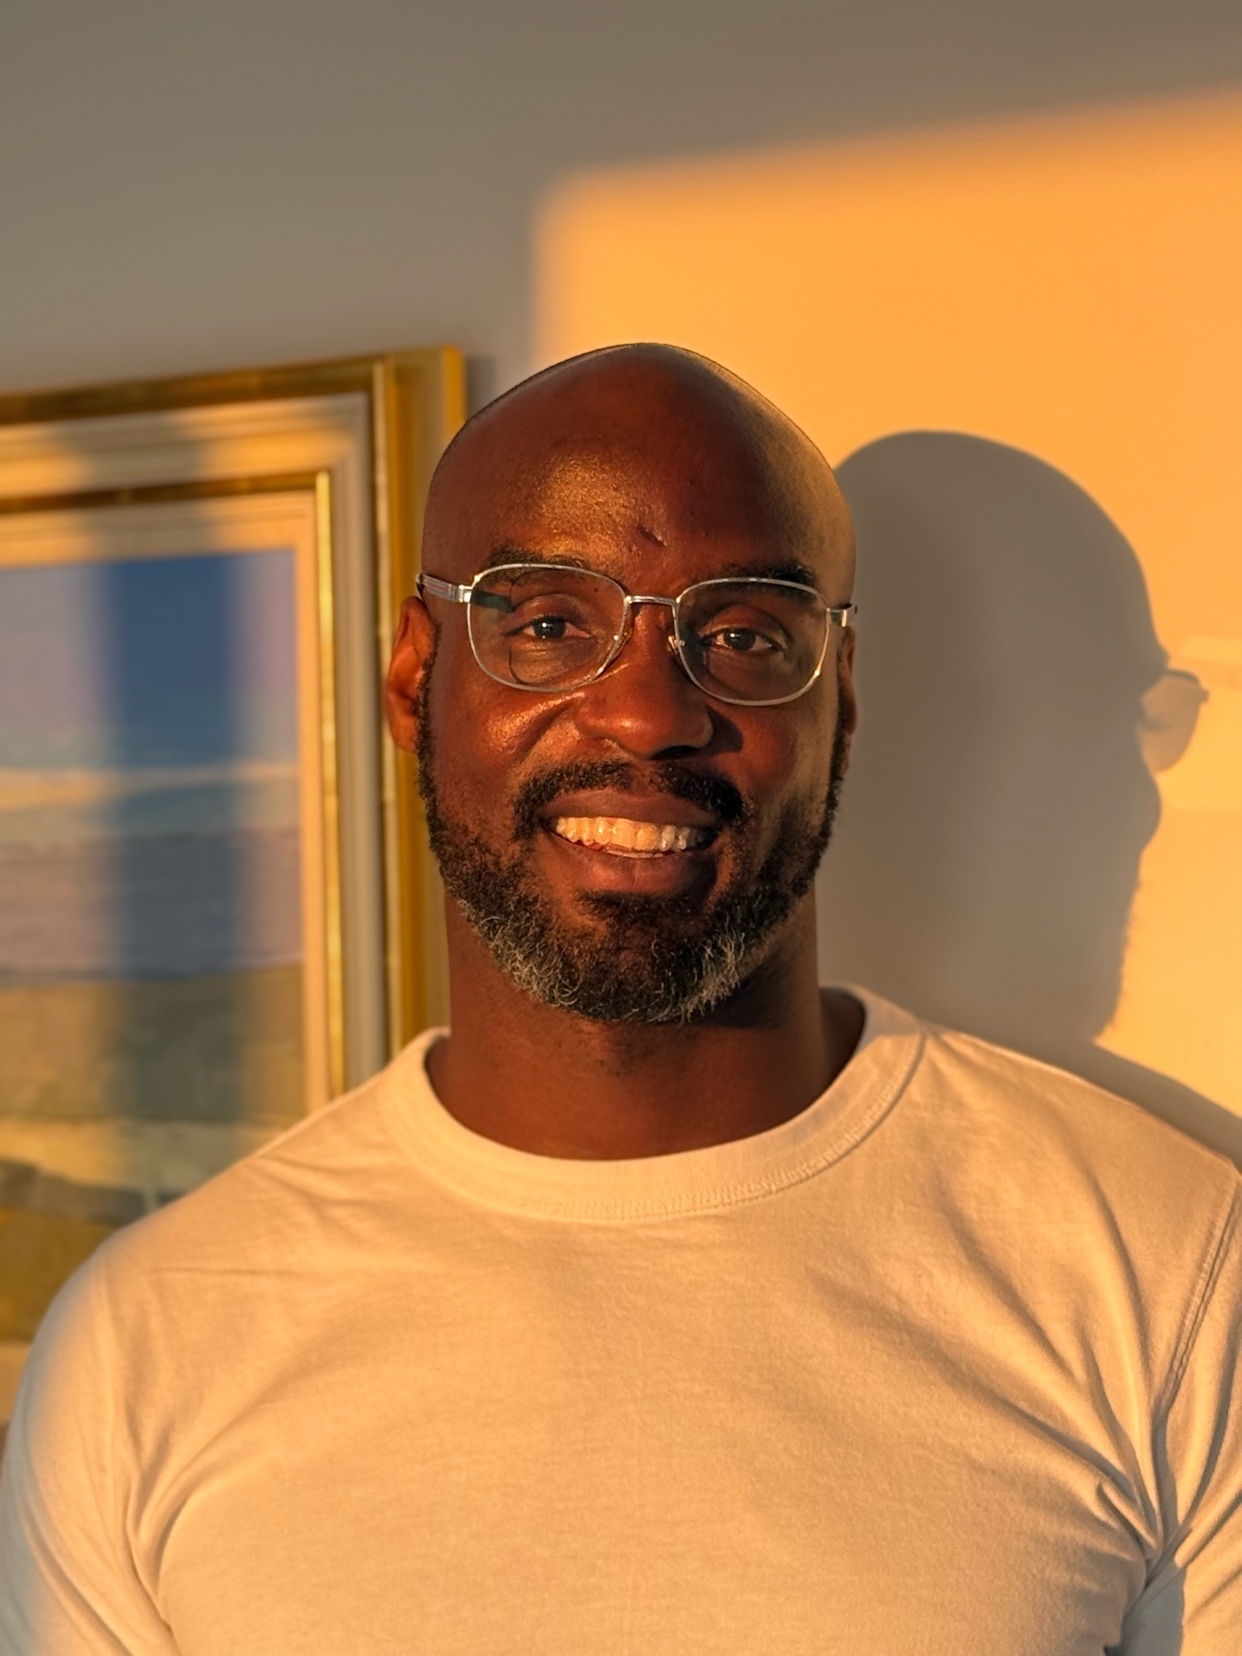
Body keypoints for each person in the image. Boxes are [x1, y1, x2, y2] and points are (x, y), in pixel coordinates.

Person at [1, 345, 1239, 1654]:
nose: (647, 712)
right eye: (545, 623)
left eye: (744, 632)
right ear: (417, 677)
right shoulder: (150, 1345)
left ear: (841, 697)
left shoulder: (1164, 1275)